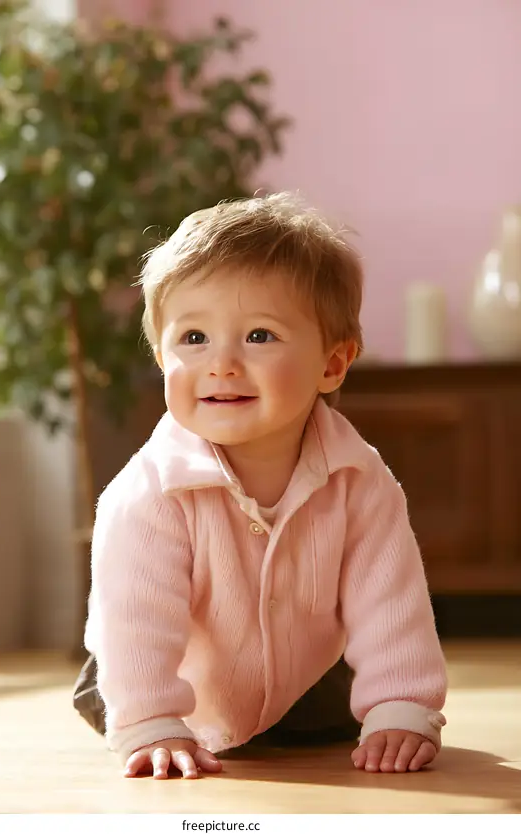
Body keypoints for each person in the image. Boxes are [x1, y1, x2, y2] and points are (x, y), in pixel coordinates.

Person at [75, 193, 447, 780]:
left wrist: (400, 706)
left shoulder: (361, 480)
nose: (220, 363)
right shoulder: (149, 493)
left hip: (303, 672)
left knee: (343, 707)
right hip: (149, 670)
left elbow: (389, 600)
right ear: (160, 355)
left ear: (332, 363)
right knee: (130, 694)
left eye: (259, 337)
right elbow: (136, 618)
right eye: (193, 339)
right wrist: (150, 721)